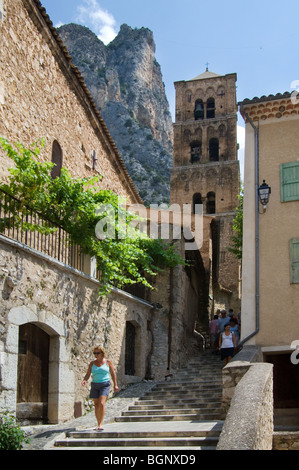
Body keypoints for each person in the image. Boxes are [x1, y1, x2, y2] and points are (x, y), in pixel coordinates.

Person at [82, 346, 119, 430]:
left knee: (101, 403)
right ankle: (98, 423)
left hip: (105, 384)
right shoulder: (92, 363)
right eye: (94, 353)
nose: (96, 355)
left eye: (98, 353)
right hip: (95, 385)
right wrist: (85, 380)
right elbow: (88, 374)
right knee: (96, 404)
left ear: (102, 353)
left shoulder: (108, 362)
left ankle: (100, 424)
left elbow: (113, 374)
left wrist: (115, 385)